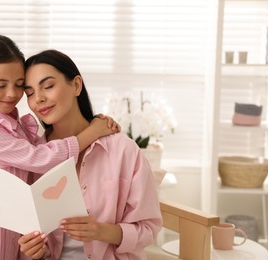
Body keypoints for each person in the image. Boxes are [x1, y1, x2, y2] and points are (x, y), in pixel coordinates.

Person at [0, 35, 119, 260]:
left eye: (18, 86)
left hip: (7, 221)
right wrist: (92, 132)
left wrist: (93, 123)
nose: (12, 94)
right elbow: (40, 158)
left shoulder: (12, 123)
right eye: (1, 85)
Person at [18, 50, 162, 259]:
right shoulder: (33, 157)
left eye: (48, 86)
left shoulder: (123, 151)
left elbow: (150, 228)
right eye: (30, 93)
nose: (38, 99)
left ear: (76, 85)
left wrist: (102, 231)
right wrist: (35, 250)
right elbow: (35, 234)